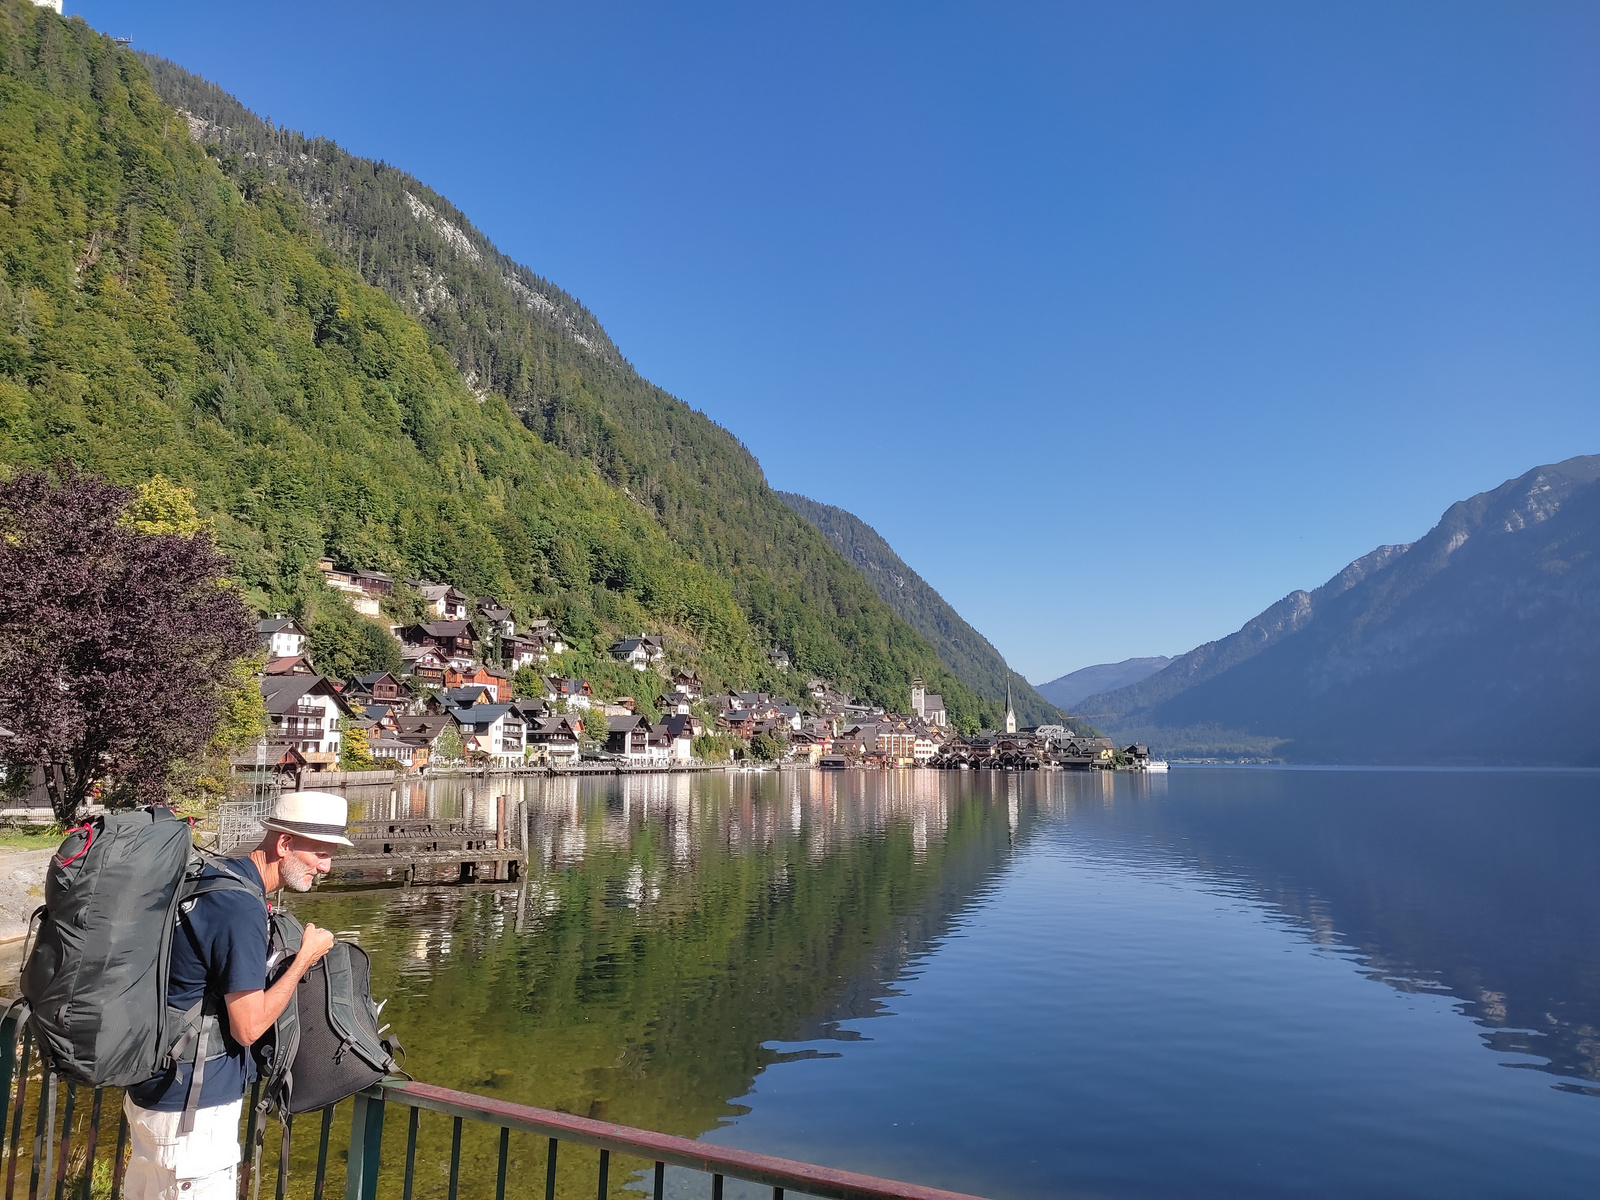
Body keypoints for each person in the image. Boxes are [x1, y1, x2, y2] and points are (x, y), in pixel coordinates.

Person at [122, 792, 354, 1200]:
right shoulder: (240, 908)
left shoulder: (212, 875)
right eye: (319, 853)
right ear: (283, 844)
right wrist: (305, 958)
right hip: (193, 1117)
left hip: (152, 1089)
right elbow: (247, 1028)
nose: (326, 867)